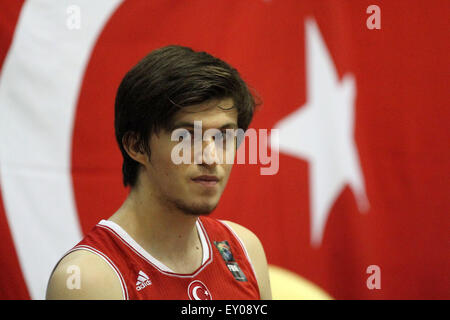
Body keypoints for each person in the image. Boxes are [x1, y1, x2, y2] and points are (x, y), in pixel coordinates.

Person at [46, 45, 271, 300]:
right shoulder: (90, 280)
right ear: (136, 146)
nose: (212, 157)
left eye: (224, 137)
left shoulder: (243, 249)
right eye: (187, 137)